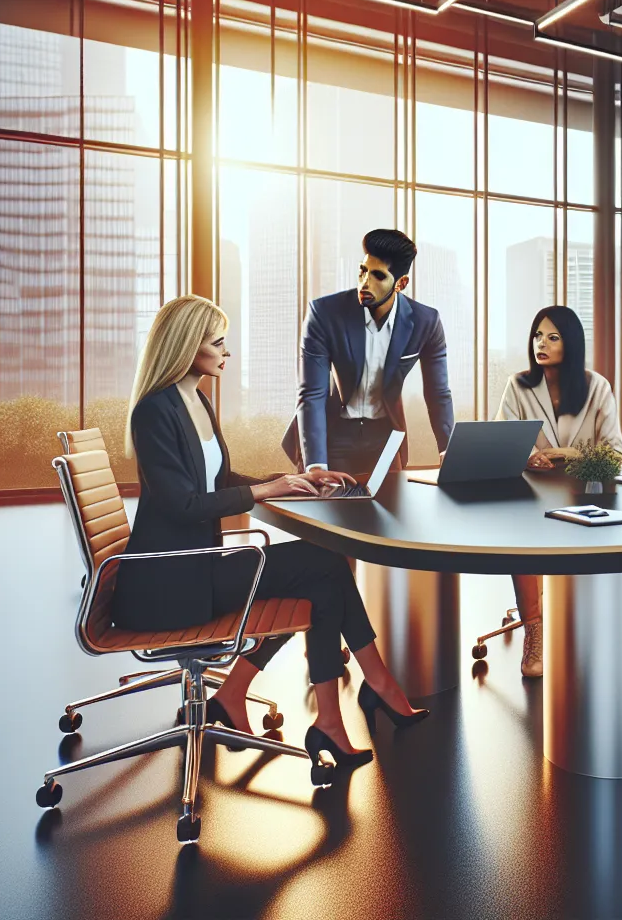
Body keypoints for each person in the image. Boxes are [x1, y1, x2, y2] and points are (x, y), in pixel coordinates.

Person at [118, 295, 427, 781]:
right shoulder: (155, 412)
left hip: (197, 567)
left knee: (322, 575)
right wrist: (265, 490)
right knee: (323, 567)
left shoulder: (194, 399)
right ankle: (374, 685)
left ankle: (312, 713)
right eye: (218, 342)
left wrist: (288, 479)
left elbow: (216, 480)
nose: (227, 352)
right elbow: (182, 504)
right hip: (168, 583)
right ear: (185, 346)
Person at [494, 306, 622, 678]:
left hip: (583, 497)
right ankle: (533, 631)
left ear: (571, 343)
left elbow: (617, 455)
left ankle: (583, 632)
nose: (542, 343)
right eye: (538, 335)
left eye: (553, 337)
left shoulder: (596, 386)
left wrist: (569, 454)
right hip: (531, 495)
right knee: (521, 544)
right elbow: (503, 443)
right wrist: (529, 457)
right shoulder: (518, 385)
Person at [286, 228, 455, 478]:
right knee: (329, 511)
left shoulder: (426, 322)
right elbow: (312, 393)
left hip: (385, 437)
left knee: (392, 511)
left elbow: (438, 392)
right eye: (363, 271)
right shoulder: (324, 313)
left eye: (378, 276)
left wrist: (447, 449)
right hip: (333, 433)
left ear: (401, 283)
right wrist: (316, 465)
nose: (365, 283)